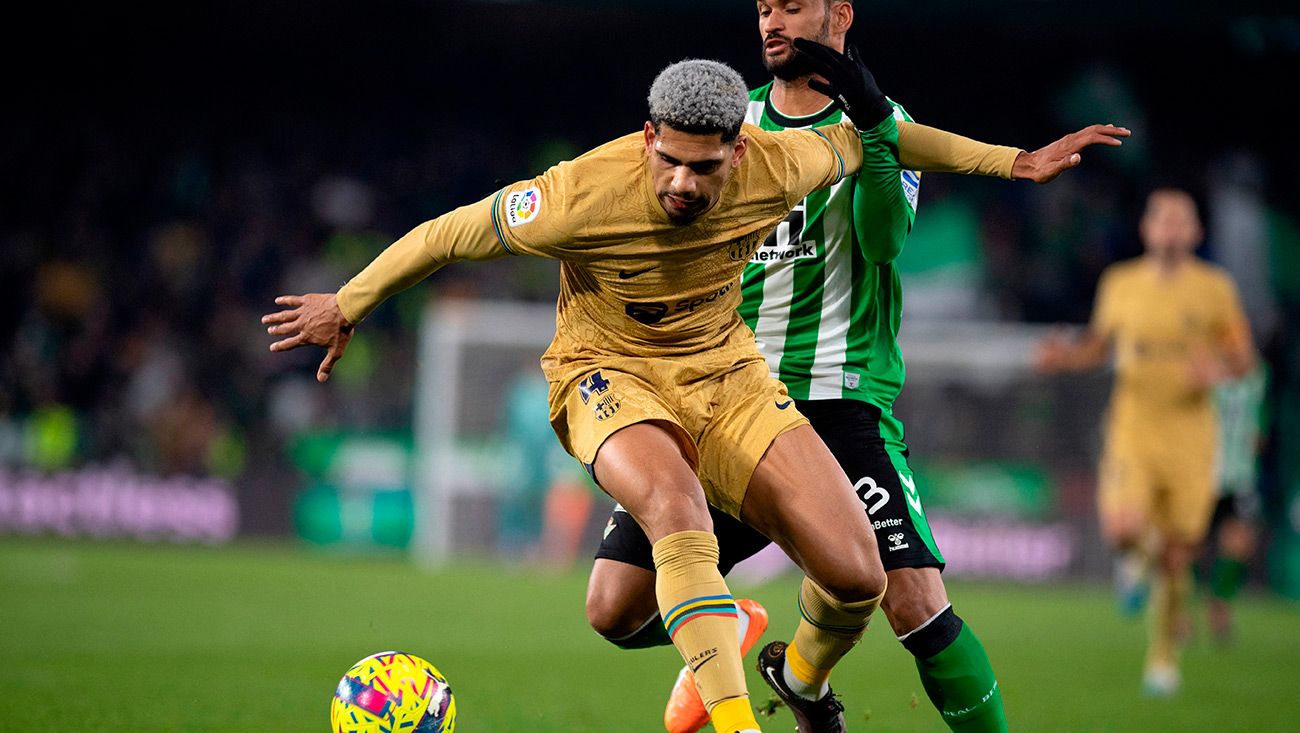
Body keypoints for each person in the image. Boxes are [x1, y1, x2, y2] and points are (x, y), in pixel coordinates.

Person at [267, 52, 926, 733]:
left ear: (738, 150)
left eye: (704, 166)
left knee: (852, 576)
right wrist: (348, 302)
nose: (683, 181)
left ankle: (785, 673)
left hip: (721, 373)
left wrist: (1007, 159)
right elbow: (446, 234)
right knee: (677, 510)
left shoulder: (780, 164)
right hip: (608, 370)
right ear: (648, 137)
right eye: (669, 159)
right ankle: (737, 723)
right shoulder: (578, 196)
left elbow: (884, 140)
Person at [582, 2, 1130, 732]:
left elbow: (878, 242)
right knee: (614, 607)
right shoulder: (728, 125)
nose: (772, 22)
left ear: (839, 13)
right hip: (724, 397)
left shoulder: (886, 122)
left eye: (791, 6)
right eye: (763, 8)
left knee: (915, 602)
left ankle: (801, 677)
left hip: (838, 403)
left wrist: (876, 133)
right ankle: (737, 626)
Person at [1034, 187, 1257, 696]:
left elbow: (1245, 358)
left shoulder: (1215, 289)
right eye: (1163, 218)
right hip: (1134, 428)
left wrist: (1219, 369)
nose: (1172, 227)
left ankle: (1162, 658)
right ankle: (1137, 561)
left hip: (1191, 437)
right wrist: (1062, 357)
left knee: (1180, 555)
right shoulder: (1120, 284)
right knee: (1120, 530)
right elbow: (1097, 346)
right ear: (1147, 229)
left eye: (1183, 219)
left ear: (1197, 232)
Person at [1203, 362, 1268, 642]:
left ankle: (1220, 608)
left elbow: (1260, 424)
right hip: (1201, 475)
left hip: (1238, 475)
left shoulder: (1256, 373)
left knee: (1239, 544)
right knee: (1187, 545)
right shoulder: (1201, 365)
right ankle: (1178, 614)